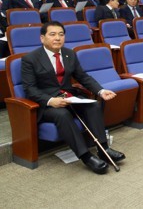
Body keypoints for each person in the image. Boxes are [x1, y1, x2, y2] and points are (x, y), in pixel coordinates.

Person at [22, 21, 125, 174]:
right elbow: (30, 89)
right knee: (62, 114)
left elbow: (83, 77)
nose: (57, 38)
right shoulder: (30, 59)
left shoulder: (69, 53)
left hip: (70, 97)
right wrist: (51, 101)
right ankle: (86, 156)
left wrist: (100, 91)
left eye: (61, 34)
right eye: (53, 34)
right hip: (47, 104)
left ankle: (103, 149)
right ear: (42, 38)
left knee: (93, 105)